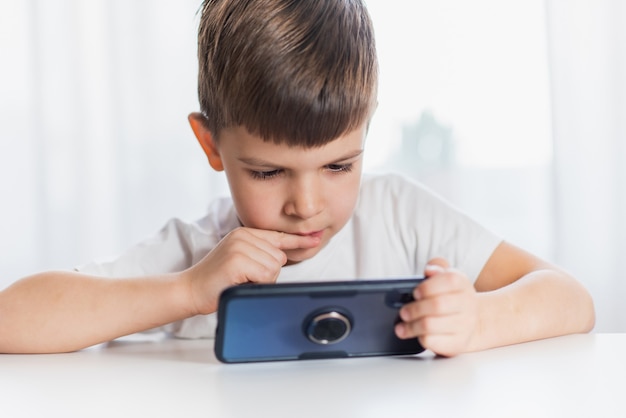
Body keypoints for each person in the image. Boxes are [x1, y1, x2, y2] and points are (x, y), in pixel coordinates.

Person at [0, 0, 594, 356]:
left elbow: (571, 298)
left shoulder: (402, 217)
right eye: (267, 171)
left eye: (339, 165)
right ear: (211, 144)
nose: (307, 205)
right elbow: (11, 320)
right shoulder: (193, 257)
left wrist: (480, 319)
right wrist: (186, 291)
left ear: (366, 133)